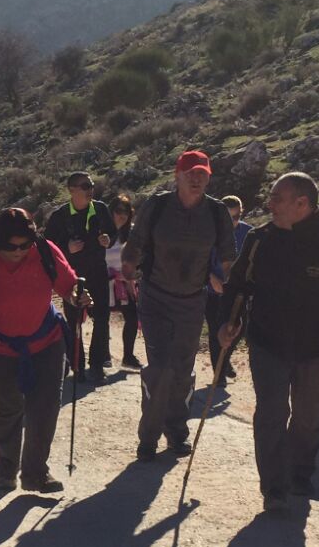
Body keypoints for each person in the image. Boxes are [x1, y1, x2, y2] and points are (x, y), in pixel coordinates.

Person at [220, 173, 319, 515]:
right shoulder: (260, 240)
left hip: (318, 352)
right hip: (267, 345)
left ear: (302, 204)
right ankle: (274, 488)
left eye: (277, 198)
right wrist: (226, 323)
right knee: (271, 413)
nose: (269, 204)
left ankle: (299, 472)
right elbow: (239, 286)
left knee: (306, 417)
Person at [121, 151, 236, 461]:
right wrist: (128, 269)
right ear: (177, 175)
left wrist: (223, 278)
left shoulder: (216, 213)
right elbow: (135, 242)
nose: (197, 179)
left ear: (209, 177)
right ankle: (148, 437)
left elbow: (227, 255)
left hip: (192, 301)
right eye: (190, 173)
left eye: (202, 173)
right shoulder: (157, 206)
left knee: (182, 370)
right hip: (155, 296)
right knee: (160, 368)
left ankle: (176, 434)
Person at [0, 207, 88, 494]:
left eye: (25, 245)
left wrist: (77, 296)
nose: (19, 251)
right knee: (6, 410)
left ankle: (35, 473)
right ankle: (6, 469)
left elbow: (68, 285)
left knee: (44, 409)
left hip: (47, 341)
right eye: (11, 247)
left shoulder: (44, 251)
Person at [44, 172, 113, 381]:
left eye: (91, 185)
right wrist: (67, 248)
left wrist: (108, 240)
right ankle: (78, 366)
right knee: (74, 322)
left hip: (98, 273)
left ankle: (97, 365)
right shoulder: (59, 216)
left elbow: (113, 233)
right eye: (85, 186)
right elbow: (48, 247)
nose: (90, 189)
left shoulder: (101, 209)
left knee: (102, 319)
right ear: (72, 190)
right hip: (72, 277)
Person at [207, 195, 254, 380]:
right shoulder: (210, 233)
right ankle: (218, 374)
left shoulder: (249, 233)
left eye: (235, 217)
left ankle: (224, 361)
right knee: (215, 330)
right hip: (213, 290)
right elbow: (201, 260)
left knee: (237, 330)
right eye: (228, 218)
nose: (232, 222)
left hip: (238, 292)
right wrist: (212, 279)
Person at [106, 194, 142, 369]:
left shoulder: (132, 233)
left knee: (132, 317)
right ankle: (102, 354)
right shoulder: (102, 232)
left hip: (126, 282)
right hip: (106, 282)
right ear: (111, 212)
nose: (122, 215)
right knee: (101, 318)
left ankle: (128, 356)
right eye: (119, 211)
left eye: (126, 211)